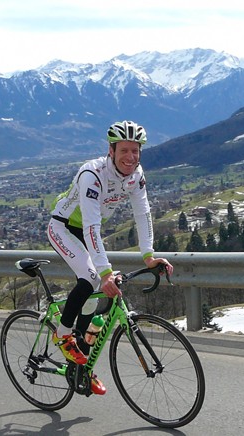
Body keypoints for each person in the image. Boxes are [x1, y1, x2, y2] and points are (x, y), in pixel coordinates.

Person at [47, 120, 173, 395]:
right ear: (111, 150)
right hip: (63, 227)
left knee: (96, 304)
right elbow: (91, 227)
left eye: (135, 151)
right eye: (124, 150)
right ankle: (62, 332)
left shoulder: (135, 174)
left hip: (87, 232)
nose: (131, 157)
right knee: (92, 278)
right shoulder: (92, 174)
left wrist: (149, 256)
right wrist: (105, 272)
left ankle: (78, 365)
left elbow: (143, 214)